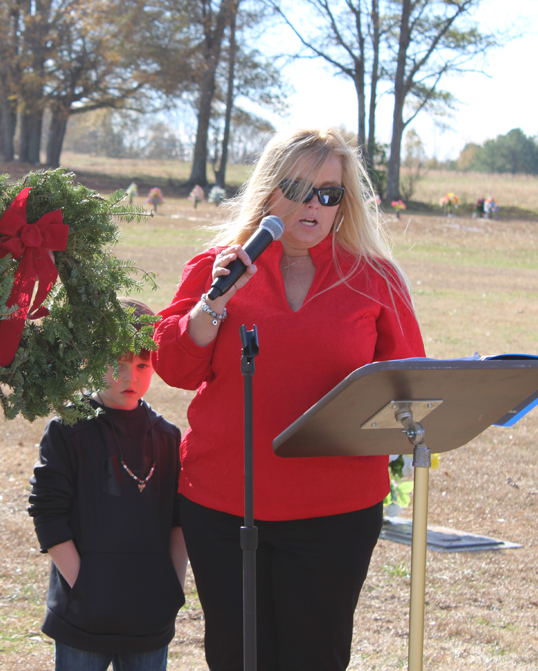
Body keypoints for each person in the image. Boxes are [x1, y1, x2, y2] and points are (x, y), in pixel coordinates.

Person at [153, 127, 425, 671]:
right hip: (224, 506)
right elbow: (174, 367)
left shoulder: (374, 279)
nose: (315, 204)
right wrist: (215, 304)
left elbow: (409, 387)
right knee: (235, 657)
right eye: (301, 188)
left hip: (337, 511)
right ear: (269, 189)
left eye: (330, 193)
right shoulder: (219, 266)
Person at [28, 299, 187, 671]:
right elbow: (47, 513)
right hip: (84, 616)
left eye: (141, 365)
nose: (129, 377)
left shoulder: (166, 436)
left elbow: (179, 520)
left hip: (150, 615)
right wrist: (84, 586)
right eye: (114, 364)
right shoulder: (69, 429)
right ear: (90, 358)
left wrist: (173, 589)